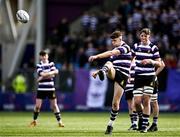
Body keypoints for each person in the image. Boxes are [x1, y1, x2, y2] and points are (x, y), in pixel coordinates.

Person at [89, 30, 132, 135]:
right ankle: (102, 73)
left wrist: (96, 56)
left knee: (115, 103)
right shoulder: (115, 50)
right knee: (108, 63)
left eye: (114, 40)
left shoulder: (126, 47)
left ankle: (110, 125)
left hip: (123, 76)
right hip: (114, 72)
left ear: (120, 39)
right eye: (112, 41)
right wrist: (98, 71)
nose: (113, 43)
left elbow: (112, 52)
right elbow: (110, 64)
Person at [132, 28, 161, 133]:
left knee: (148, 100)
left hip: (149, 77)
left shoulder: (153, 47)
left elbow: (159, 63)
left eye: (145, 36)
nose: (143, 38)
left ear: (149, 36)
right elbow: (130, 58)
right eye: (142, 36)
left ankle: (145, 125)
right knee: (137, 102)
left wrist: (150, 61)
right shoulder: (135, 46)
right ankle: (143, 118)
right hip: (138, 77)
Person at [29, 50, 64, 127]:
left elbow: (54, 73)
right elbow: (43, 73)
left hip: (51, 88)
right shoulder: (38, 65)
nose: (44, 57)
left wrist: (42, 77)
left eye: (45, 55)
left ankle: (60, 122)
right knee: (38, 106)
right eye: (42, 55)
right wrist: (51, 74)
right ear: (40, 57)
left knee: (54, 105)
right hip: (41, 89)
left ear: (47, 56)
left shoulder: (51, 64)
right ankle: (34, 120)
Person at [148, 60, 165, 132]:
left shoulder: (152, 50)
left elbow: (162, 65)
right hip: (140, 80)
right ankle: (144, 121)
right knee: (138, 101)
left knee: (153, 102)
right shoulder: (137, 50)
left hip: (151, 80)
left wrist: (154, 74)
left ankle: (154, 124)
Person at [124, 59, 138, 131]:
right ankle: (133, 123)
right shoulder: (126, 61)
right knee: (130, 107)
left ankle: (136, 122)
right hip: (127, 86)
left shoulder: (137, 61)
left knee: (133, 106)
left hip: (135, 86)